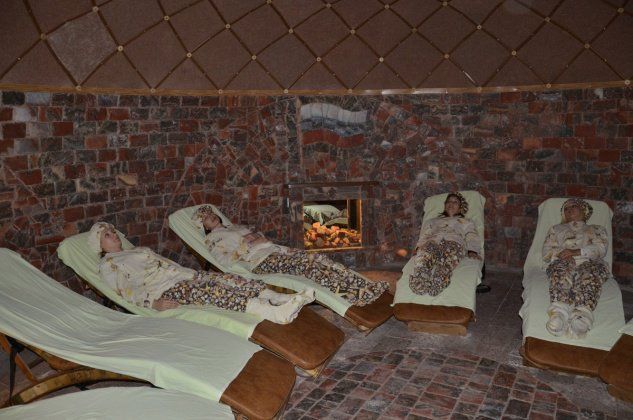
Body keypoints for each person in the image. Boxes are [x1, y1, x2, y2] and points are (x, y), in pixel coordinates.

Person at [88, 222, 314, 324]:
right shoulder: (109, 265)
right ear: (99, 244)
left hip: (183, 276)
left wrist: (191, 273)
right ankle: (274, 313)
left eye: (113, 231)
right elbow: (126, 290)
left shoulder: (137, 250)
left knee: (230, 279)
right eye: (107, 235)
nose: (114, 235)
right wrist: (152, 303)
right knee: (213, 291)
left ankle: (280, 298)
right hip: (164, 290)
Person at [191, 206, 390, 307]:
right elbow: (224, 261)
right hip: (261, 262)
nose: (211, 216)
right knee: (309, 267)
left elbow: (259, 240)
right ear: (203, 225)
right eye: (206, 217)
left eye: (211, 213)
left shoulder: (234, 227)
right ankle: (354, 295)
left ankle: (365, 287)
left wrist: (265, 241)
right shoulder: (212, 240)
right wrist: (247, 244)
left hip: (274, 251)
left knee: (318, 259)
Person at [542, 198, 609, 338]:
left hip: (590, 262)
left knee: (589, 274)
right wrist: (561, 254)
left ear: (584, 210)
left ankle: (582, 315)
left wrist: (577, 252)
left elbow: (601, 249)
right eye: (566, 209)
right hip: (564, 261)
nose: (569, 210)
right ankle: (559, 314)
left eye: (573, 206)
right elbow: (546, 252)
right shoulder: (556, 229)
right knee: (560, 271)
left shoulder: (597, 229)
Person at [409, 192, 482, 296]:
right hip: (433, 242)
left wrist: (472, 250)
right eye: (449, 201)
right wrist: (418, 248)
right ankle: (421, 278)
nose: (451, 203)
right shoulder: (432, 221)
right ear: (445, 205)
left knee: (447, 258)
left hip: (453, 243)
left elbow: (471, 236)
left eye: (455, 202)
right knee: (424, 255)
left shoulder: (466, 222)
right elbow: (425, 235)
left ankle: (440, 278)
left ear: (460, 207)